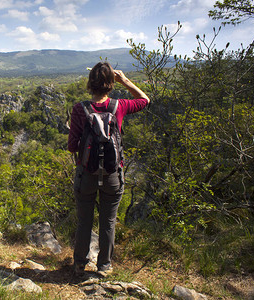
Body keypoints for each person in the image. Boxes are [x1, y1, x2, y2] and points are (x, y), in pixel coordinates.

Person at [68, 61, 150, 278]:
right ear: (110, 84)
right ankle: (104, 266)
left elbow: (71, 146)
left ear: (89, 84)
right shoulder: (119, 106)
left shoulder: (80, 109)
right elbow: (144, 100)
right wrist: (125, 80)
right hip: (113, 175)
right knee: (108, 222)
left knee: (84, 221)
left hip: (86, 174)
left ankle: (79, 265)